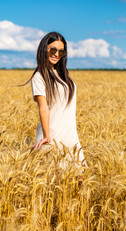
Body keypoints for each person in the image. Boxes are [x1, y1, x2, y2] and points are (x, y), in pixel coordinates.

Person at [30, 32, 87, 170]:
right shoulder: (39, 77)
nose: (56, 54)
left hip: (71, 136)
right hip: (52, 136)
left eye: (61, 52)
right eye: (53, 49)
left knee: (81, 181)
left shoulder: (63, 75)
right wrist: (47, 136)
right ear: (45, 49)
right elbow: (43, 107)